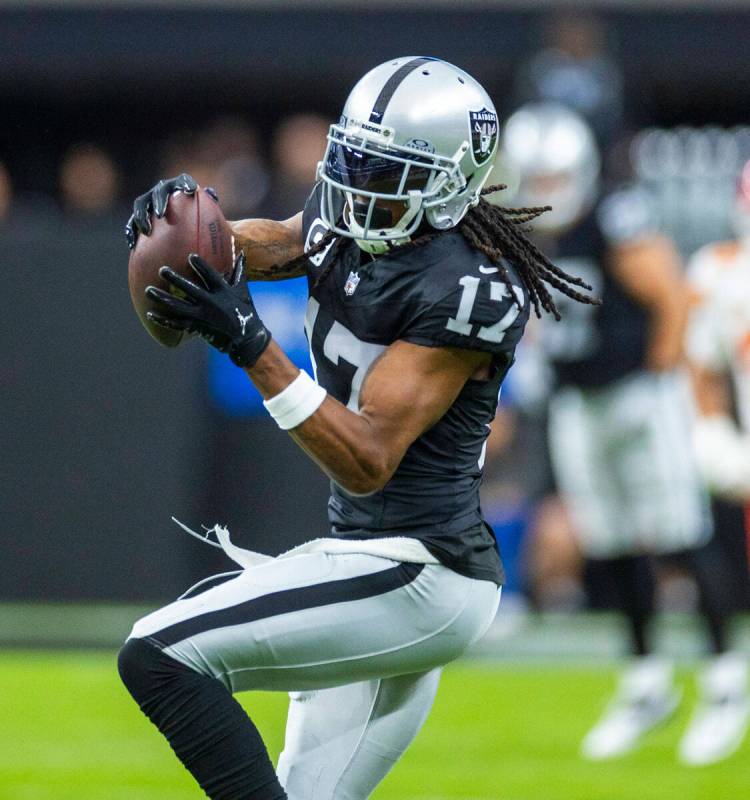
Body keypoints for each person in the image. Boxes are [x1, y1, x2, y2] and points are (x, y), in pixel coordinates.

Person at [117, 58, 594, 799]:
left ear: (448, 181)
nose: (357, 183)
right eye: (354, 157)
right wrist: (195, 238)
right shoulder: (361, 218)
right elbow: (278, 237)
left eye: (385, 169)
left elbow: (368, 457)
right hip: (376, 560)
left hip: (422, 572)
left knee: (158, 655)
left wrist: (249, 341)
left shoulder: (465, 289)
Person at [502, 103, 731, 763]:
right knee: (611, 540)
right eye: (536, 178)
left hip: (637, 392)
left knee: (679, 534)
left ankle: (723, 682)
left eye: (555, 176)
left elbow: (672, 299)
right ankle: (646, 681)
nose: (546, 191)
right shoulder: (526, 231)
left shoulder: (614, 215)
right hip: (579, 399)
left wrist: (662, 384)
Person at [682, 159, 750, 766]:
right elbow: (700, 368)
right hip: (743, 445)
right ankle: (726, 682)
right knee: (707, 537)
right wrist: (713, 432)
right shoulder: (720, 269)